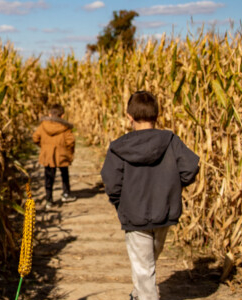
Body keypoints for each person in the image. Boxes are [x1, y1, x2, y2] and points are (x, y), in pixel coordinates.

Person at [100, 91, 200, 300]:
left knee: (144, 265)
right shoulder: (171, 141)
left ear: (129, 116)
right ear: (157, 115)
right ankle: (139, 294)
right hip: (164, 211)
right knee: (147, 262)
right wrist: (172, 186)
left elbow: (111, 181)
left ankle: (143, 295)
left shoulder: (119, 147)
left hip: (134, 214)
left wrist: (121, 202)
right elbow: (190, 167)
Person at [33, 104, 77, 206]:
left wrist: (43, 147)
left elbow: (35, 138)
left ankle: (49, 199)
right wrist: (69, 152)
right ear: (62, 116)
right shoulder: (65, 128)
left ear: (49, 114)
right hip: (62, 155)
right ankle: (66, 194)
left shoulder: (43, 126)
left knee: (49, 177)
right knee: (64, 175)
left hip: (47, 156)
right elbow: (71, 141)